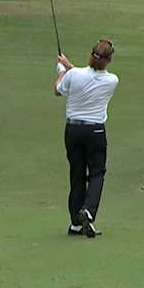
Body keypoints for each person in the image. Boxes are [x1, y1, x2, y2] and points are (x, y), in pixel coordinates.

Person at [54, 39, 119, 238]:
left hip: (73, 130)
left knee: (77, 174)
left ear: (91, 55)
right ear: (109, 60)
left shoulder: (74, 75)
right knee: (97, 173)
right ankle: (88, 212)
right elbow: (87, 78)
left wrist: (62, 71)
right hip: (95, 132)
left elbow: (58, 89)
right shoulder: (112, 80)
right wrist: (68, 68)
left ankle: (75, 224)